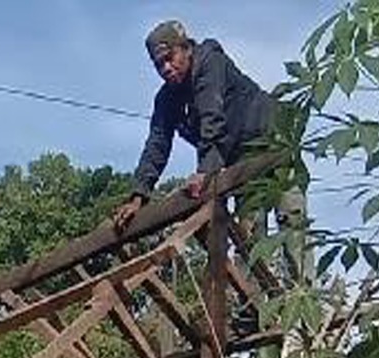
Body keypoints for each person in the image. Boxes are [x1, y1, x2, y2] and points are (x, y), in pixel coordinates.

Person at [111, 21, 276, 232]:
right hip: (238, 158)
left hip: (274, 138)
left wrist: (205, 171)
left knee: (291, 220)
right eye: (159, 65)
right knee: (250, 232)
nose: (166, 69)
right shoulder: (167, 98)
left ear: (187, 49)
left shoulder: (209, 62)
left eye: (169, 58)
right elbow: (157, 143)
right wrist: (138, 196)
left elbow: (212, 117)